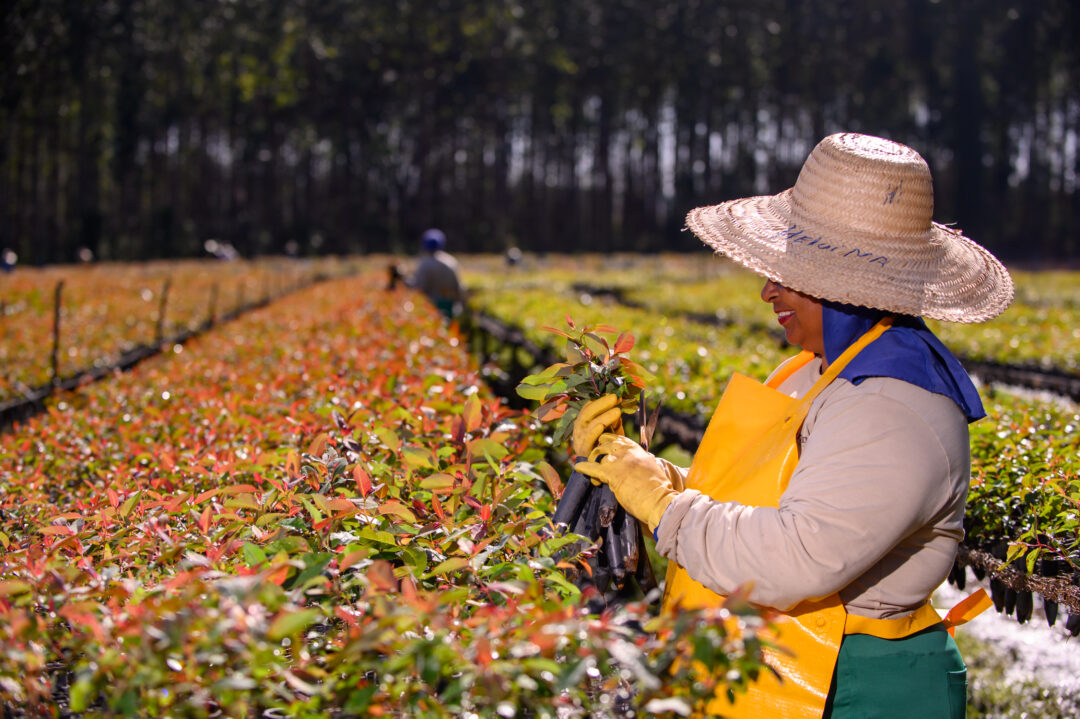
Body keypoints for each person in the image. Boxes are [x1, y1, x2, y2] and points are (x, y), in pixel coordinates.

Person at [572, 133, 1013, 718]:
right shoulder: (819, 371)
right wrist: (656, 476)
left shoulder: (895, 405)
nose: (767, 290)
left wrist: (661, 506)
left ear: (849, 283)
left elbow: (795, 555)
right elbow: (771, 496)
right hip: (792, 663)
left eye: (790, 271)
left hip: (861, 685)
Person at [408, 228, 465, 320]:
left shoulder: (424, 264)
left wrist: (407, 282)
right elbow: (458, 287)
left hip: (430, 305)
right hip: (448, 305)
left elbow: (419, 287)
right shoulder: (450, 262)